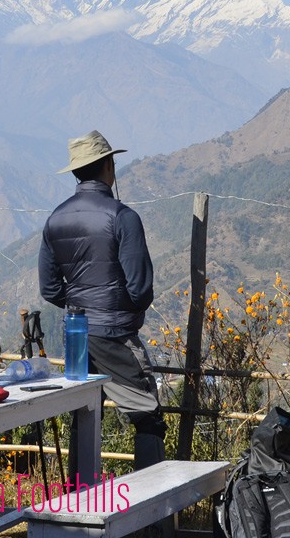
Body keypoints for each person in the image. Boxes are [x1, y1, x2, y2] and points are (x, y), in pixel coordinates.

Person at [38, 130, 167, 470]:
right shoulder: (122, 217)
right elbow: (140, 289)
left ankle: (78, 502)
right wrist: (114, 310)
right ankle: (150, 515)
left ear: (77, 172)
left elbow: (50, 289)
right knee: (147, 416)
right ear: (108, 166)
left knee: (85, 411)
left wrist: (82, 307)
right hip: (116, 336)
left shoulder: (55, 219)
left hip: (77, 335)